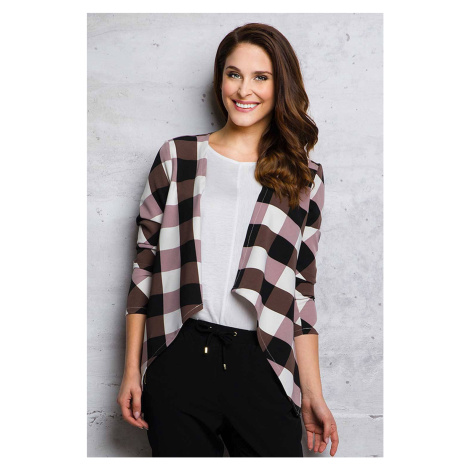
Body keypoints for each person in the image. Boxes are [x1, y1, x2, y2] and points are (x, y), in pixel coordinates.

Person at [117, 22, 339, 457]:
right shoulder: (177, 158)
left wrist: (312, 392)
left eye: (261, 77)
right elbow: (143, 269)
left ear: (280, 86)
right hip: (178, 357)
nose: (244, 89)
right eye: (234, 74)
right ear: (220, 78)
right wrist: (131, 370)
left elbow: (302, 292)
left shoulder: (303, 178)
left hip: (264, 362)